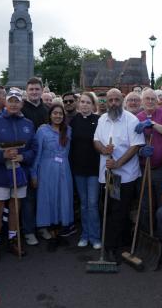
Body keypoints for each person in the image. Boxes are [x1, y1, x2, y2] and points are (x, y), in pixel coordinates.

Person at [0, 90, 37, 266]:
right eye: (10, 101)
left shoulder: (28, 123)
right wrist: (2, 155)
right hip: (0, 173)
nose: (14, 104)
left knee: (15, 207)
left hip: (19, 172)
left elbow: (34, 148)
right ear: (5, 103)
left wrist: (23, 157)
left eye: (17, 101)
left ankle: (13, 240)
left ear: (22, 104)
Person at [94, 88, 145, 262]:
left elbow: (136, 146)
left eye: (117, 99)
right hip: (108, 175)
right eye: (111, 100)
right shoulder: (102, 119)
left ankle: (113, 247)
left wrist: (117, 163)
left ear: (122, 100)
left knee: (119, 210)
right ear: (106, 102)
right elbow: (96, 141)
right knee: (109, 209)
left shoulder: (132, 120)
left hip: (125, 175)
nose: (114, 103)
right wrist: (103, 149)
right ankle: (113, 244)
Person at [32, 104, 74, 252]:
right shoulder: (42, 131)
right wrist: (34, 174)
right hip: (47, 170)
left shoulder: (68, 131)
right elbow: (37, 154)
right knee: (48, 199)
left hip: (64, 169)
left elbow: (68, 152)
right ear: (50, 115)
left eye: (60, 114)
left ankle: (59, 232)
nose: (57, 116)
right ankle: (51, 234)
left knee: (62, 198)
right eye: (55, 113)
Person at [136, 88, 162, 229]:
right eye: (147, 98)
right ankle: (147, 233)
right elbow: (131, 142)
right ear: (142, 101)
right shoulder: (137, 118)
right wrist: (140, 151)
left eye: (153, 99)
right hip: (144, 166)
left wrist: (153, 124)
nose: (151, 101)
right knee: (145, 203)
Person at [69, 92, 101, 249]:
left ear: (93, 105)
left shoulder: (99, 120)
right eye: (82, 102)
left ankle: (95, 237)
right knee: (83, 204)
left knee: (93, 204)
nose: (84, 105)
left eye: (88, 102)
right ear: (78, 104)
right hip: (78, 169)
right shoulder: (73, 121)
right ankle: (85, 235)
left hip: (94, 169)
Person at [20, 78, 49, 245]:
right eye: (31, 89)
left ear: (41, 90)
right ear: (27, 90)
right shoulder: (21, 109)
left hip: (45, 159)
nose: (34, 92)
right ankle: (29, 230)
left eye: (37, 89)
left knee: (42, 196)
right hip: (28, 159)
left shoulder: (47, 109)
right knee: (29, 198)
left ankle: (42, 226)